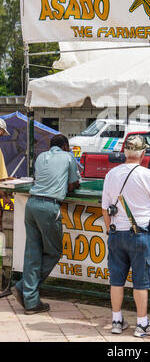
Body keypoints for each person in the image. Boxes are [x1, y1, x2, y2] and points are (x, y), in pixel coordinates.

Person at [102, 134, 150, 338]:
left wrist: (109, 229)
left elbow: (104, 208)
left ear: (125, 152)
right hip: (140, 235)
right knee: (141, 282)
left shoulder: (111, 174)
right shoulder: (148, 175)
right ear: (144, 153)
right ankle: (142, 324)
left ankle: (117, 321)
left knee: (116, 281)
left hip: (116, 234)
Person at [11, 134, 80, 315]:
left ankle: (31, 300)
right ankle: (25, 289)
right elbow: (73, 184)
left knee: (33, 252)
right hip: (49, 206)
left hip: (32, 205)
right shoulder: (68, 157)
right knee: (54, 251)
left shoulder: (41, 156)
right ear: (65, 146)